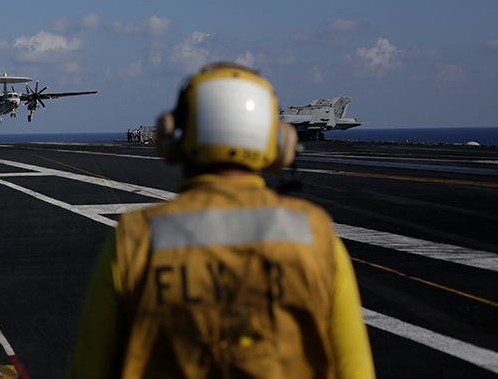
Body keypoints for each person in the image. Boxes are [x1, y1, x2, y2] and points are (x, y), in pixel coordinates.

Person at [69, 63, 375, 379]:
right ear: (275, 143)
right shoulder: (317, 237)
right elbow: (357, 371)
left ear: (174, 134)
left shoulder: (134, 240)